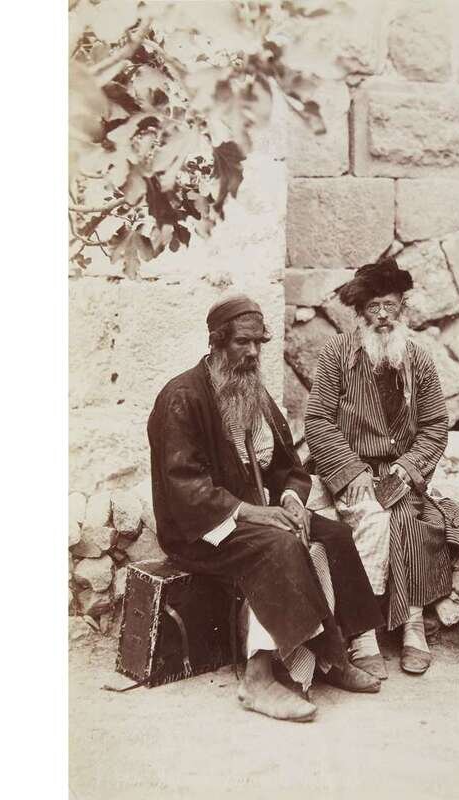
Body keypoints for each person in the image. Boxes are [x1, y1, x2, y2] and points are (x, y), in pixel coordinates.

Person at [147, 294, 384, 722]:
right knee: (277, 545)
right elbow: (186, 488)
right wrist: (256, 513)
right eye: (243, 342)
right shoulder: (182, 397)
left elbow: (288, 466)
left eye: (259, 342)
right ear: (218, 341)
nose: (254, 352)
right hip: (200, 529)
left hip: (253, 516)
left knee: (333, 534)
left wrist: (291, 500)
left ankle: (332, 656)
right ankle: (257, 678)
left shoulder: (252, 390)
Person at [305, 259, 459, 679]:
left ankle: (413, 627)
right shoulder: (337, 354)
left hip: (401, 476)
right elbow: (318, 419)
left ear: (402, 309)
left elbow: (435, 425)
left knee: (410, 521)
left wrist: (409, 468)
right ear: (360, 313)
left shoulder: (418, 359)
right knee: (372, 520)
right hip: (351, 473)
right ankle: (363, 634)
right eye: (373, 306)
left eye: (390, 305)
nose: (382, 315)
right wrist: (351, 469)